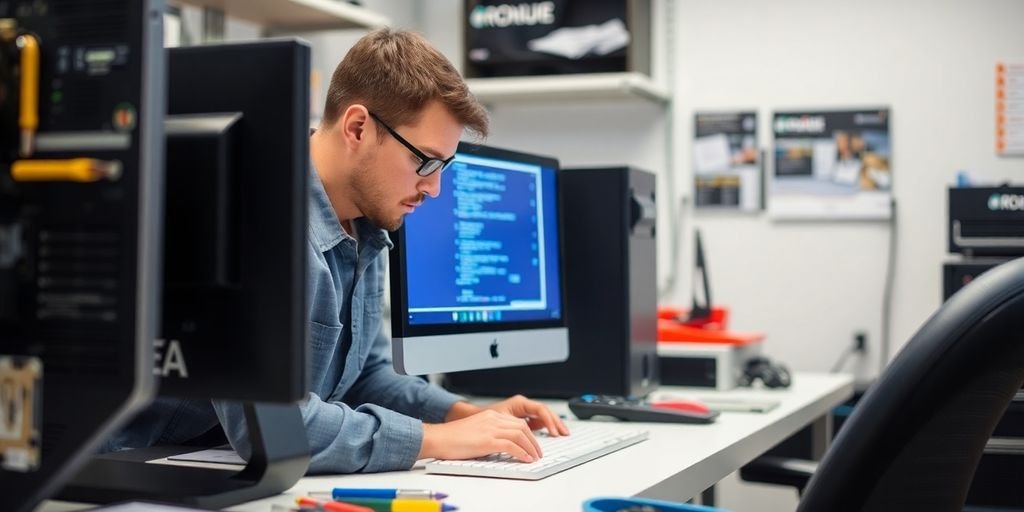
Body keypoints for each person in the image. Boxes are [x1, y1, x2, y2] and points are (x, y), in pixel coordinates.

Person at [103, 28, 569, 474]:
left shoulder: (367, 225)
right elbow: (272, 425)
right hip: (134, 471)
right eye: (424, 161)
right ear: (358, 127)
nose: (434, 188)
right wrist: (435, 441)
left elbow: (364, 377)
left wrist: (466, 415)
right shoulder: (257, 214)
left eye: (444, 166)